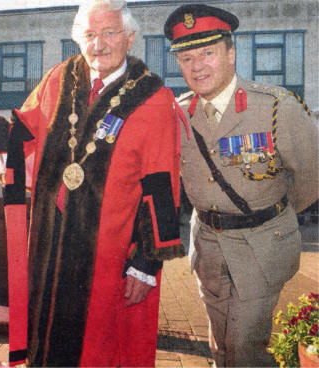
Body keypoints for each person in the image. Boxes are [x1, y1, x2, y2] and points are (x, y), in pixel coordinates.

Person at [0, 0, 185, 366]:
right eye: (89, 35)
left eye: (109, 33)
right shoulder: (58, 78)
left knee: (100, 350)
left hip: (109, 256)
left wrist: (147, 263)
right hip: (50, 250)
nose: (98, 45)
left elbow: (162, 185)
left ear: (130, 38)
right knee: (48, 343)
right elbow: (23, 142)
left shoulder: (153, 97)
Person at [164, 4, 319, 366]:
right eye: (186, 58)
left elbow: (311, 177)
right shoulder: (178, 114)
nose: (197, 66)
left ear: (231, 53)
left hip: (261, 245)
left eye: (207, 53)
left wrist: (273, 215)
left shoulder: (276, 107)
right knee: (219, 344)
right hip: (207, 245)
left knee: (245, 347)